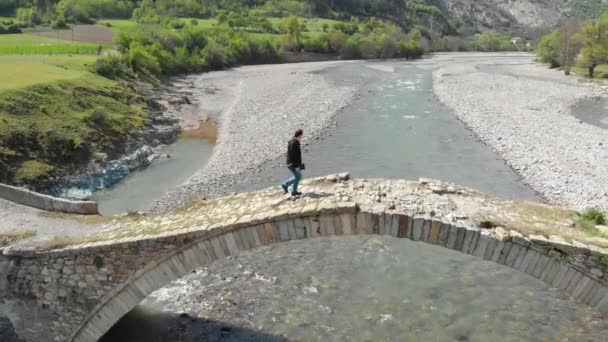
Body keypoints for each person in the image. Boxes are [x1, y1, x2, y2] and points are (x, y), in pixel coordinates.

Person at [281, 129, 305, 196]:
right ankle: (293, 191)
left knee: (297, 176)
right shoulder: (294, 143)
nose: (302, 137)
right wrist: (297, 166)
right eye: (302, 136)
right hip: (292, 164)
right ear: (299, 136)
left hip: (290, 163)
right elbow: (294, 156)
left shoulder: (292, 140)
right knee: (298, 176)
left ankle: (285, 184)